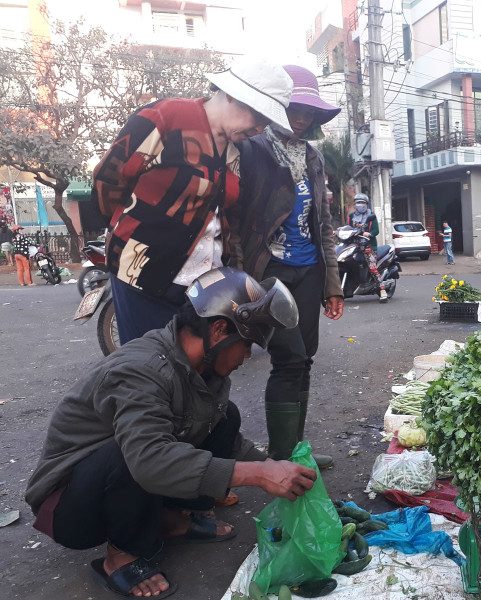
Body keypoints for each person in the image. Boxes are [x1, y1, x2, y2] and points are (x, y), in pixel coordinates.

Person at [24, 268, 313, 599]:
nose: (248, 356)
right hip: (71, 504)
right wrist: (260, 474)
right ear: (220, 330)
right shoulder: (142, 370)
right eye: (247, 345)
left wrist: (274, 468)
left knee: (224, 416)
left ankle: (172, 519)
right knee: (137, 453)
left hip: (126, 474)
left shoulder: (203, 368)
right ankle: (120, 556)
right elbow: (149, 461)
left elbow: (228, 442)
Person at [92, 56, 293, 346]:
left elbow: (220, 213)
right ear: (234, 96)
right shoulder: (166, 118)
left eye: (267, 122)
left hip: (203, 283)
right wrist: (135, 229)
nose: (261, 129)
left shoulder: (236, 150)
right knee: (151, 371)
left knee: (195, 375)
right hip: (143, 273)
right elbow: (109, 181)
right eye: (259, 117)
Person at [230, 65, 343, 468]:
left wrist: (332, 283)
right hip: (268, 272)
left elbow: (323, 222)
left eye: (310, 113)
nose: (303, 119)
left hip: (308, 270)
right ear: (278, 106)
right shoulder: (252, 149)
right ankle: (280, 455)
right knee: (289, 357)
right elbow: (235, 220)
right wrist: (242, 278)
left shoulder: (312, 157)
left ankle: (296, 449)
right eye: (296, 109)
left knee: (305, 358)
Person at [348, 193, 387, 301]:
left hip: (368, 246)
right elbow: (348, 228)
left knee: (372, 268)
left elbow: (376, 230)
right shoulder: (351, 216)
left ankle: (382, 289)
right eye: (358, 202)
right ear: (355, 204)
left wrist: (369, 234)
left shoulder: (371, 215)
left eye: (363, 202)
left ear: (366, 204)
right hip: (354, 246)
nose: (360, 205)